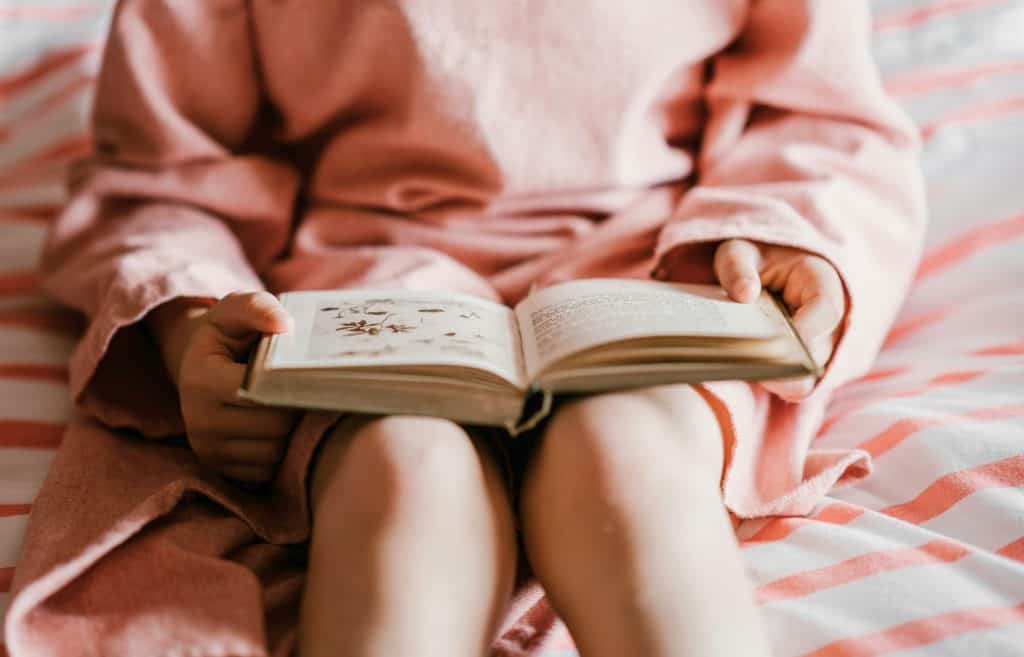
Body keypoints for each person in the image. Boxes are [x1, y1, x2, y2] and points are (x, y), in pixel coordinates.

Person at [5, 2, 926, 657]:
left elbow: (818, 115)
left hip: (657, 266)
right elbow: (163, 179)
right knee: (404, 471)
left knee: (626, 456)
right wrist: (191, 324)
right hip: (358, 282)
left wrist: (794, 242)